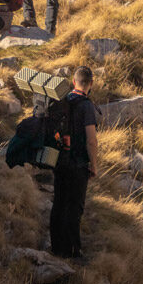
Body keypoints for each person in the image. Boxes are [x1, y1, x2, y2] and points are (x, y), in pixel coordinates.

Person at [49, 65, 98, 260]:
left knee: (59, 203)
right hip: (78, 164)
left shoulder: (64, 100)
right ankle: (73, 252)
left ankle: (56, 247)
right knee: (75, 207)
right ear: (91, 84)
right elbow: (91, 140)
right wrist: (93, 164)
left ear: (73, 82)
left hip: (60, 160)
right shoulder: (87, 106)